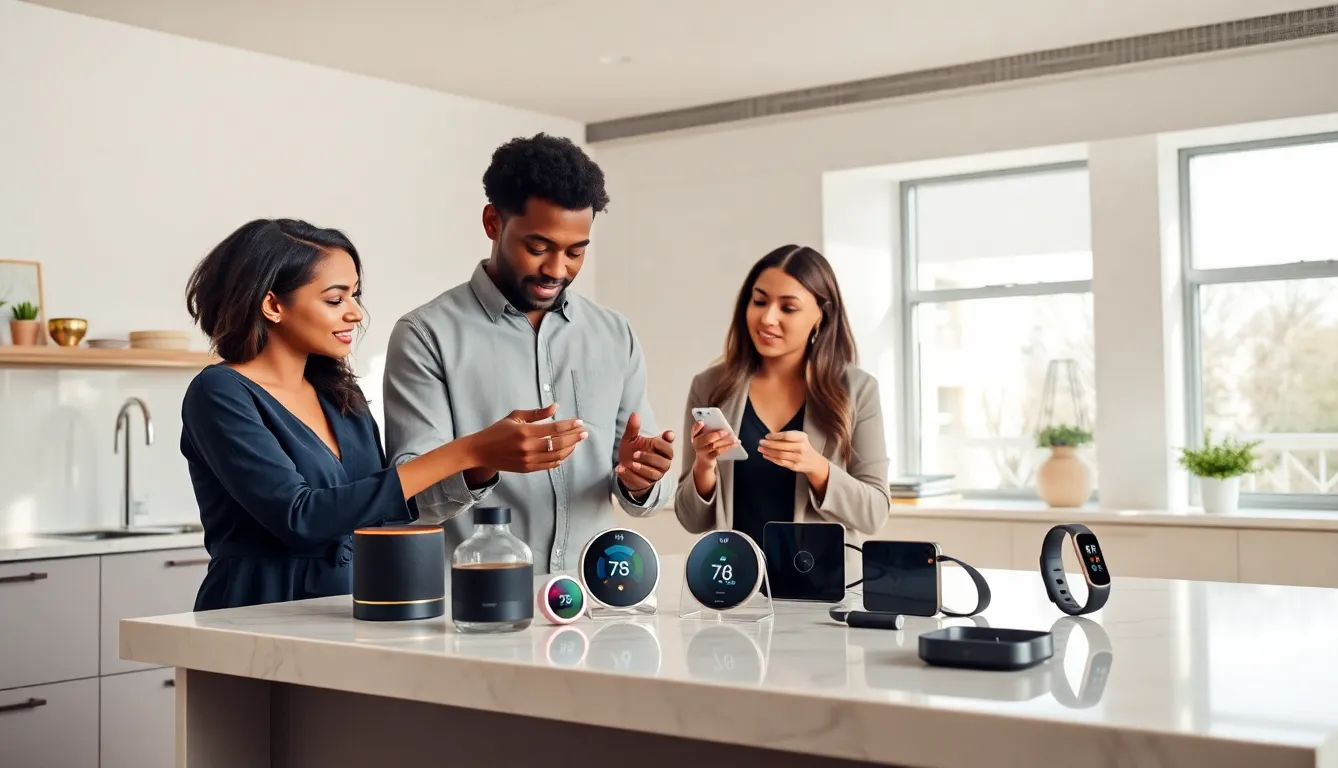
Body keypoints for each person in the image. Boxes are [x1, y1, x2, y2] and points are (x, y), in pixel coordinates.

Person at [180, 218, 585, 610]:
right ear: (272, 304)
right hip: (254, 615)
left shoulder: (340, 394)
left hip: (350, 611)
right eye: (335, 299)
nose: (355, 312)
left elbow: (379, 509)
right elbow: (300, 518)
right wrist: (469, 451)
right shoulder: (219, 393)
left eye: (356, 295)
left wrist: (481, 465)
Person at [382, 133, 675, 573]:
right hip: (477, 608)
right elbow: (409, 498)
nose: (557, 269)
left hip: (591, 600)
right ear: (493, 223)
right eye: (538, 248)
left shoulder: (615, 334)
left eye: (575, 252)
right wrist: (483, 461)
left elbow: (644, 493)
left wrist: (642, 477)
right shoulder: (425, 335)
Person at [674, 245, 890, 572]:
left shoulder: (857, 391)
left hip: (821, 593)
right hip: (734, 586)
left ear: (822, 315)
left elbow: (874, 514)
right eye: (759, 301)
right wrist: (704, 467)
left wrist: (817, 467)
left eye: (788, 308)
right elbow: (691, 519)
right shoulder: (710, 387)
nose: (767, 317)